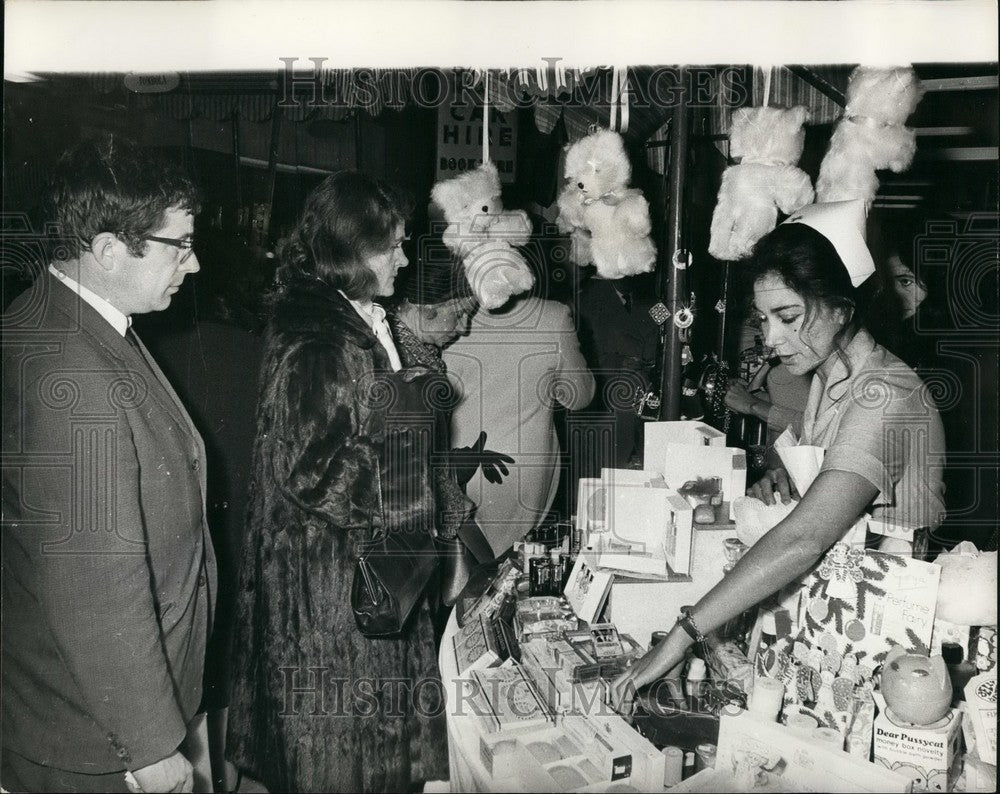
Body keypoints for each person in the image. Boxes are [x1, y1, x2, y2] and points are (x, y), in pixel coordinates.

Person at [611, 200, 947, 710]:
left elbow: (806, 537)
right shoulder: (826, 383)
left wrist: (686, 632)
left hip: (896, 655)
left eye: (787, 317)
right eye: (763, 319)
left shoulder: (885, 392)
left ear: (841, 305)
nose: (770, 338)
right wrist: (790, 486)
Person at [1, 134, 215, 793]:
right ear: (107, 250)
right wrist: (149, 748)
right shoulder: (75, 375)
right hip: (93, 735)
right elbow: (95, 585)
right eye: (180, 244)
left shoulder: (53, 317)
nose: (196, 263)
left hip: (64, 701)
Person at [225, 171, 448, 793]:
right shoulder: (320, 341)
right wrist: (410, 482)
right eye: (393, 246)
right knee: (341, 761)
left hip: (349, 577)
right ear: (353, 252)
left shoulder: (348, 320)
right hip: (328, 596)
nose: (404, 258)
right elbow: (314, 471)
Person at [444, 292, 595, 558]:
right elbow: (580, 397)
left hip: (455, 466)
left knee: (464, 570)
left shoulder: (448, 311)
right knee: (515, 570)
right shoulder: (552, 315)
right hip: (522, 469)